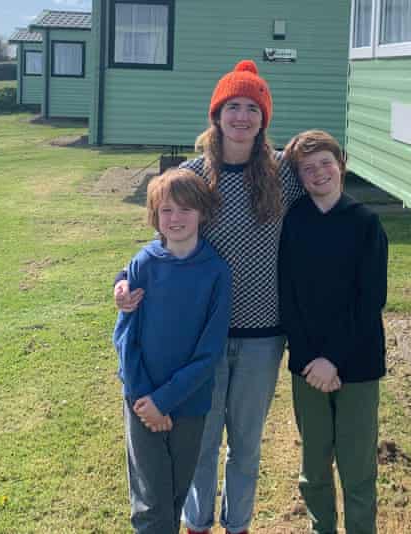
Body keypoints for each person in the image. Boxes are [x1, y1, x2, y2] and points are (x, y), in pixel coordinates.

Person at [114, 60, 305, 534]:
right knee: (200, 441)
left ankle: (237, 524)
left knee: (246, 443)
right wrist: (124, 278)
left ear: (263, 118)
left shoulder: (284, 174)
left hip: (263, 333)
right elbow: (165, 236)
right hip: (201, 338)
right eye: (232, 107)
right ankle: (195, 522)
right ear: (217, 116)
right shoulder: (194, 174)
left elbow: (323, 207)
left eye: (252, 108)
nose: (242, 117)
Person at [279, 130, 389, 534]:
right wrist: (311, 358)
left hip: (357, 364)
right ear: (301, 178)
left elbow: (370, 299)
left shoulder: (365, 223)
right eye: (308, 169)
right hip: (307, 365)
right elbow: (287, 296)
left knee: (358, 467)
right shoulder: (294, 221)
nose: (318, 173)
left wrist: (334, 359)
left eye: (325, 163)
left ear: (340, 165)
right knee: (314, 465)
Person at [113, 168, 231, 534]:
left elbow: (209, 352)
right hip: (141, 399)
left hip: (189, 404)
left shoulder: (216, 272)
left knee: (177, 495)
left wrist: (165, 400)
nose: (175, 218)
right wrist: (145, 398)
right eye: (166, 211)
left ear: (202, 214)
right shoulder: (142, 265)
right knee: (151, 503)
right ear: (154, 217)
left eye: (185, 209)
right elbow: (125, 337)